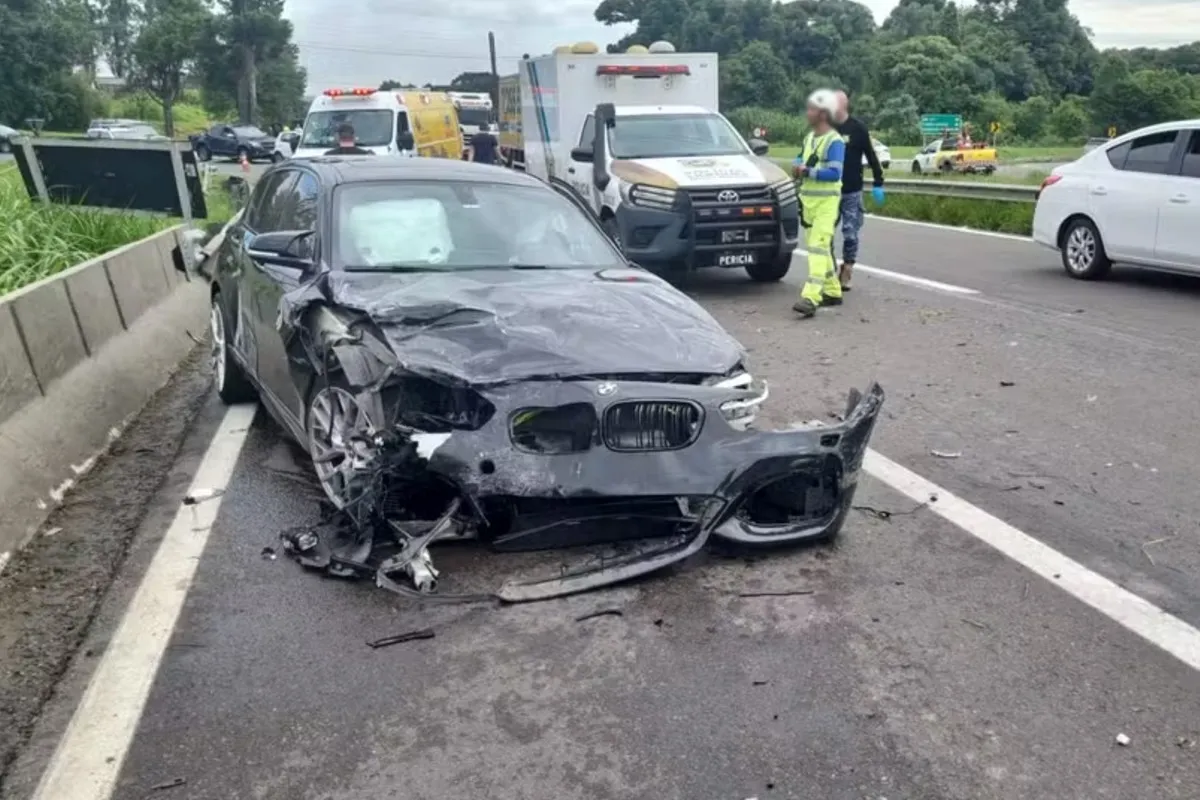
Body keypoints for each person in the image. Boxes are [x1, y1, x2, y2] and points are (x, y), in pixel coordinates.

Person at [791, 89, 845, 319]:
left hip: (826, 203)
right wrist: (797, 165)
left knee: (818, 248)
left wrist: (808, 171)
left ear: (823, 114)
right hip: (809, 202)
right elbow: (800, 156)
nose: (808, 113)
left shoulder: (835, 141)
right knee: (818, 246)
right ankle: (832, 290)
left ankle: (811, 297)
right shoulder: (810, 138)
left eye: (812, 109)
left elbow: (834, 173)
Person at [831, 90, 885, 291]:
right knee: (826, 233)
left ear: (844, 105)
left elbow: (870, 155)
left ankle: (847, 270)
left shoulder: (858, 128)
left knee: (850, 233)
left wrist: (878, 181)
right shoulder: (827, 129)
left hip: (852, 190)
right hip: (830, 191)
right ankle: (829, 271)